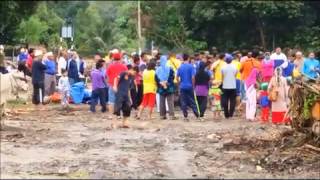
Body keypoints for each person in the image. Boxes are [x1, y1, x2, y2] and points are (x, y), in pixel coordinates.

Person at [177, 54, 199, 121]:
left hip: (182, 86)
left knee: (183, 101)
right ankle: (197, 115)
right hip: (190, 86)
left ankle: (185, 116)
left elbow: (177, 77)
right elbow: (193, 77)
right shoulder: (191, 66)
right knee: (192, 100)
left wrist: (180, 84)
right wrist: (193, 85)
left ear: (183, 58)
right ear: (188, 58)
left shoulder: (180, 67)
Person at [106, 52, 128, 119]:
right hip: (121, 86)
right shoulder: (124, 66)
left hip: (112, 85)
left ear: (113, 59)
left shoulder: (110, 66)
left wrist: (109, 82)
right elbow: (126, 76)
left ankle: (110, 115)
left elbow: (107, 76)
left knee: (111, 101)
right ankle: (118, 115)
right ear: (120, 58)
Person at [155, 55, 176, 120]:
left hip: (161, 88)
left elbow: (156, 78)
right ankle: (171, 115)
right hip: (169, 87)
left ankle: (162, 115)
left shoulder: (157, 69)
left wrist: (161, 83)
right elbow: (172, 77)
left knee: (162, 101)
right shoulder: (170, 68)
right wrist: (166, 83)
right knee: (170, 101)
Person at [221, 54, 238, 119]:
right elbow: (235, 76)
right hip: (233, 86)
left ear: (226, 60)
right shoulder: (235, 67)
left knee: (225, 100)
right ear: (231, 60)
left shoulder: (223, 67)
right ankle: (231, 114)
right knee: (232, 100)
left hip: (225, 86)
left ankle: (226, 114)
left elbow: (222, 77)